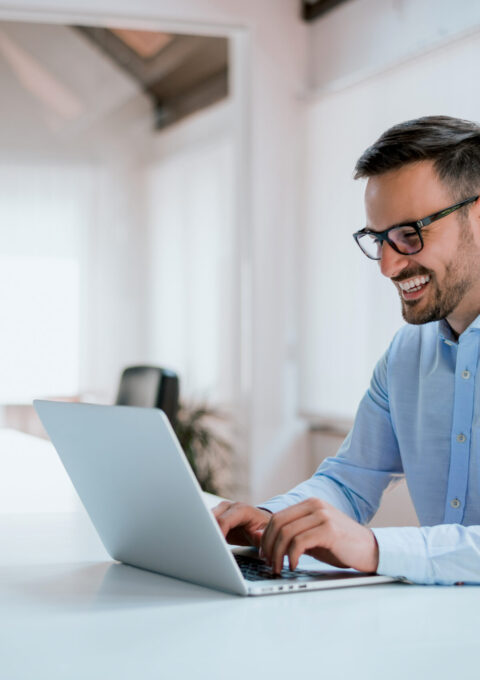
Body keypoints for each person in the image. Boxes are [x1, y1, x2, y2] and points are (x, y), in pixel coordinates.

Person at [214, 115, 480, 585]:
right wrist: (269, 519)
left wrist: (374, 547)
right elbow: (350, 479)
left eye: (409, 234)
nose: (388, 266)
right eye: (379, 239)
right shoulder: (407, 353)